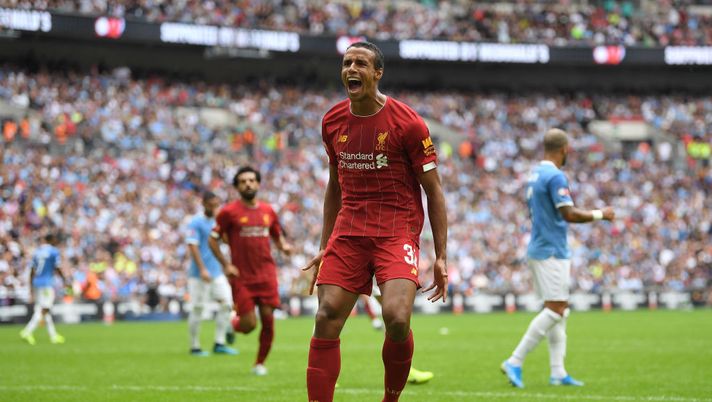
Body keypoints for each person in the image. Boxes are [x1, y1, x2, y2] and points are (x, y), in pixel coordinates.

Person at [302, 41, 448, 402]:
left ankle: (390, 399)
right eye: (347, 62)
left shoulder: (408, 123)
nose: (352, 69)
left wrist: (441, 256)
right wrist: (325, 244)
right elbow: (334, 185)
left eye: (361, 63)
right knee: (325, 316)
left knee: (397, 318)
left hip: (396, 230)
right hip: (349, 231)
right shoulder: (332, 121)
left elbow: (435, 191)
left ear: (377, 73)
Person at [501, 128, 615, 388]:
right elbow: (569, 214)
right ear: (564, 150)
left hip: (542, 247)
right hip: (551, 250)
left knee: (559, 312)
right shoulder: (555, 175)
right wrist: (602, 214)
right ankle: (515, 361)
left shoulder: (535, 174)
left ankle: (558, 372)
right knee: (557, 308)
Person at [209, 166, 294, 376]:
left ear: (257, 183)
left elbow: (276, 235)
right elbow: (212, 239)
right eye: (243, 181)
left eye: (251, 180)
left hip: (266, 274)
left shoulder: (268, 210)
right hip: (242, 277)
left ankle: (259, 364)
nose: (248, 184)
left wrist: (283, 246)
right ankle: (233, 324)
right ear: (237, 186)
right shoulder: (229, 212)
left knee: (268, 319)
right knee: (249, 325)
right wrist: (226, 265)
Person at [185, 191, 238, 356]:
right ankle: (195, 346)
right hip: (199, 274)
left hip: (216, 272)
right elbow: (193, 246)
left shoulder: (218, 221)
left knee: (227, 304)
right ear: (204, 204)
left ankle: (219, 342)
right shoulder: (195, 222)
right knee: (198, 308)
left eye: (217, 204)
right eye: (212, 204)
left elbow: (225, 241)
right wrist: (202, 269)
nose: (215, 207)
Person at [20, 233, 70, 345]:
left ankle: (53, 336)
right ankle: (28, 331)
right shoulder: (53, 251)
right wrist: (65, 280)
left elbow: (32, 270)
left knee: (43, 310)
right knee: (45, 309)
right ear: (52, 239)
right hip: (47, 283)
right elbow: (57, 267)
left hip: (36, 282)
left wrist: (30, 287)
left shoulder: (37, 252)